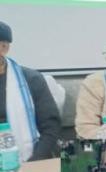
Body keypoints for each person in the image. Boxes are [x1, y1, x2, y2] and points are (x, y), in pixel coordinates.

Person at [0, 21, 61, 161]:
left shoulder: (32, 80)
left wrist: (34, 163)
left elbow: (50, 128)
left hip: (29, 160)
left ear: (4, 48)